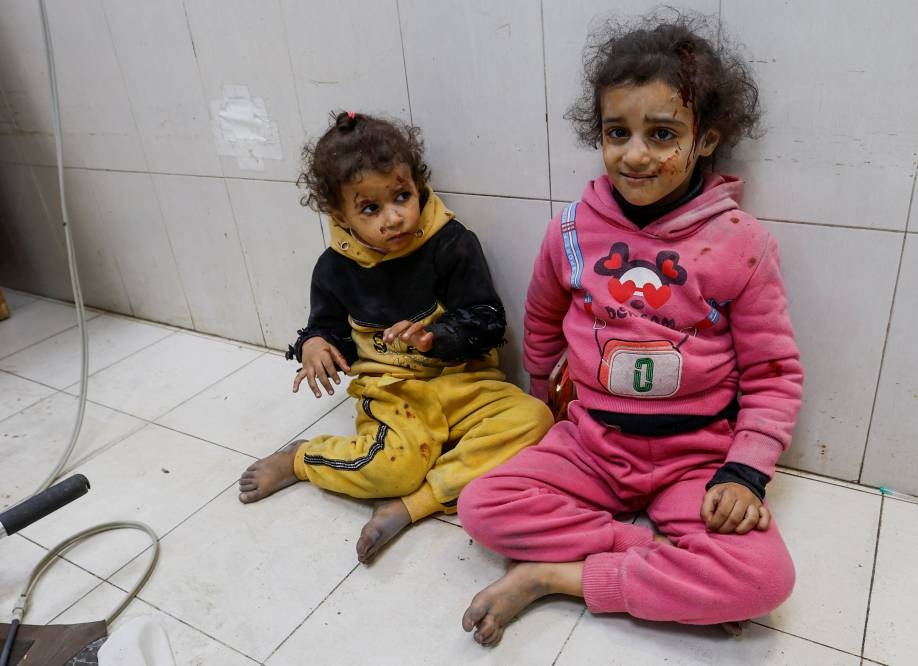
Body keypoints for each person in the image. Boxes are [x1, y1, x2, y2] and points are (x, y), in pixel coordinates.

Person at [458, 9, 804, 646]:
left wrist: (745, 471)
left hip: (695, 458)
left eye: (663, 134)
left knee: (765, 580)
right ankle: (649, 557)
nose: (635, 154)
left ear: (705, 140)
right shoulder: (570, 230)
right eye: (617, 132)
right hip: (593, 444)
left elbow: (773, 373)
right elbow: (540, 318)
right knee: (480, 508)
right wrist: (545, 391)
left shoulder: (740, 243)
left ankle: (555, 577)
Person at [238, 111, 552, 564]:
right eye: (371, 208)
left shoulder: (451, 243)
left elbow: (487, 318)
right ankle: (303, 460)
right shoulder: (334, 268)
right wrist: (315, 345)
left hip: (462, 384)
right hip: (392, 393)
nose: (394, 218)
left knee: (534, 418)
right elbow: (328, 329)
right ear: (341, 215)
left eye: (402, 196)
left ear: (417, 186)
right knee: (393, 468)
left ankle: (415, 505)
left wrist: (436, 336)